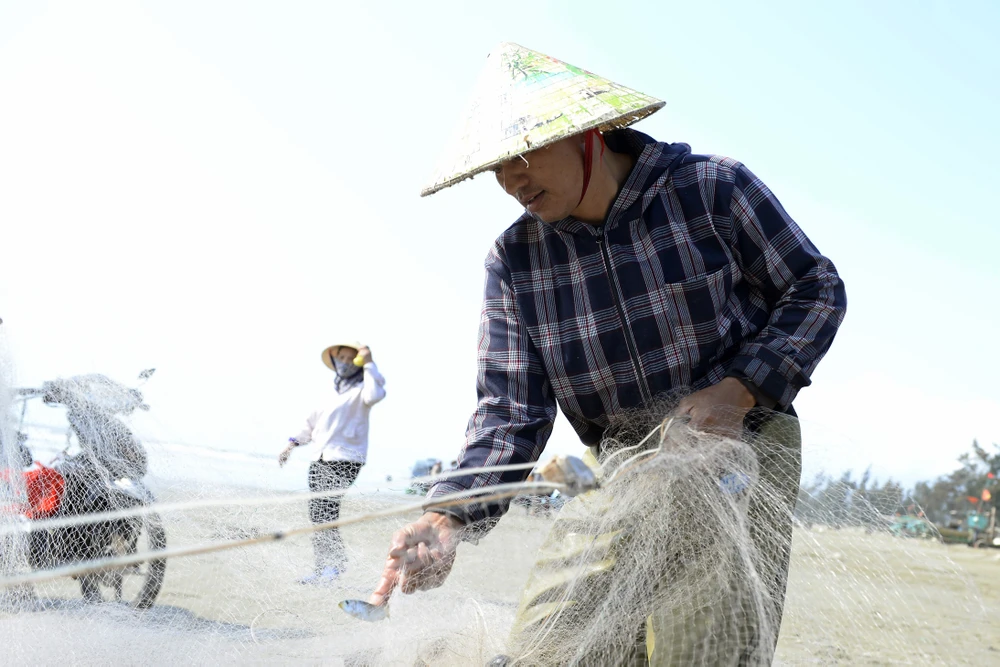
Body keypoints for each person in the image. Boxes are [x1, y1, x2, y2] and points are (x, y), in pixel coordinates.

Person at [370, 42, 847, 662]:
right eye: (495, 166)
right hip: (621, 463)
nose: (511, 179)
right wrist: (450, 518)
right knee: (553, 641)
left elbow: (814, 288)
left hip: (740, 445)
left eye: (524, 153)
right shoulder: (516, 260)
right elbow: (512, 407)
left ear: (589, 134)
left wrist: (740, 388)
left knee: (699, 645)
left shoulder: (712, 190)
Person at [280, 340, 386, 584]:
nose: (345, 363)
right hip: (320, 457)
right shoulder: (329, 394)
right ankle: (321, 569)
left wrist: (369, 362)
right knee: (317, 515)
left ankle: (334, 568)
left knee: (327, 511)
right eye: (341, 358)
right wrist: (290, 445)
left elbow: (375, 394)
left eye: (352, 359)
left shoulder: (363, 389)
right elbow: (310, 424)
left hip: (346, 459)